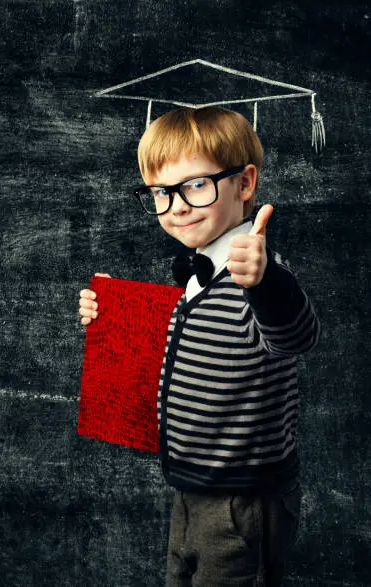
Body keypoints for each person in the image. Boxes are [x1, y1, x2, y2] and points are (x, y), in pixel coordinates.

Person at [78, 106, 320, 586]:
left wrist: (266, 279)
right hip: (190, 484)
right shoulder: (195, 278)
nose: (177, 207)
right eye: (162, 193)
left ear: (244, 184)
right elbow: (182, 347)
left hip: (243, 498)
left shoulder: (259, 276)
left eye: (195, 186)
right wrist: (114, 312)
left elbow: (296, 334)